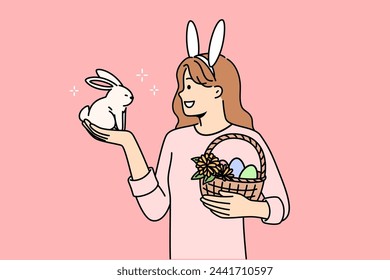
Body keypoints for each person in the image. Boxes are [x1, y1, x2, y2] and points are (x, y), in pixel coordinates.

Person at [82, 20, 289, 259]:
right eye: (182, 87)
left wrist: (251, 208)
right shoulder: (175, 140)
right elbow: (155, 209)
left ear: (217, 90)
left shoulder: (248, 140)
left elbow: (281, 206)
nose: (182, 94)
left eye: (190, 86)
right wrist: (128, 143)